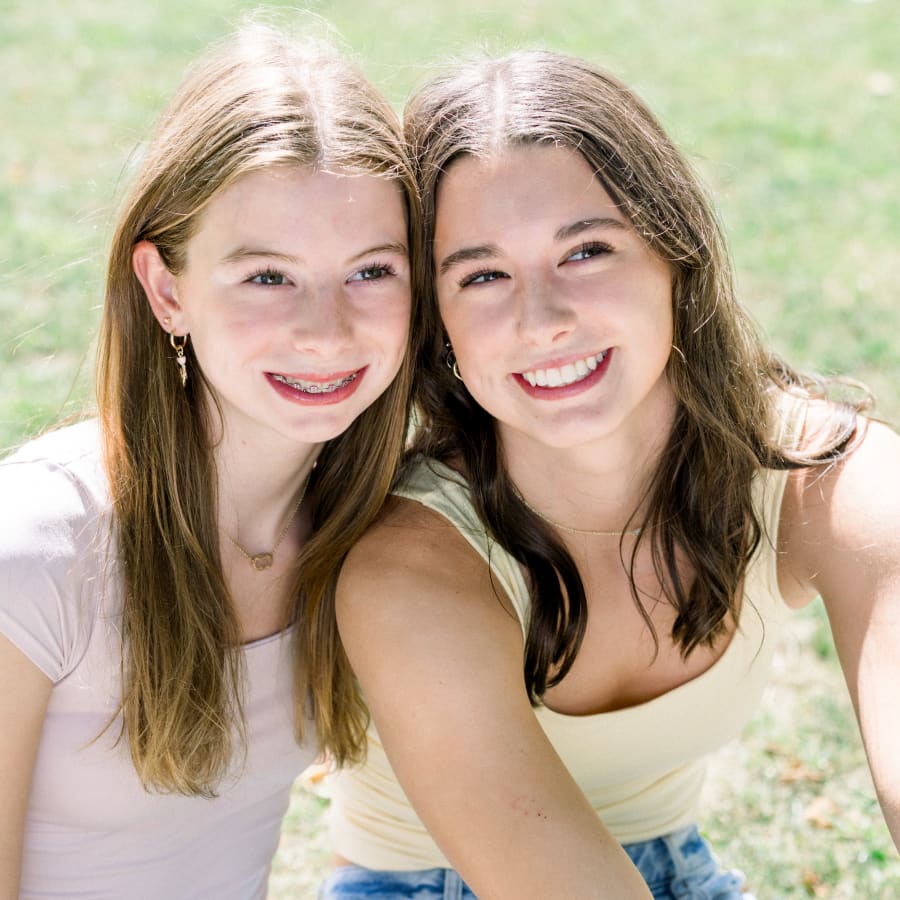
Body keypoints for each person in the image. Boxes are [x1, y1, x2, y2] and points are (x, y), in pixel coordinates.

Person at [322, 50, 900, 899]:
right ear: (437, 323)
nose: (544, 318)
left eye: (586, 251)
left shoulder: (823, 479)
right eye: (482, 275)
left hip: (676, 870)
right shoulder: (411, 571)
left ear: (676, 253)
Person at [0, 20, 420, 899]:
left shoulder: (368, 533)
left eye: (371, 271)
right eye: (267, 276)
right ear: (167, 290)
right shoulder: (38, 551)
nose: (327, 329)